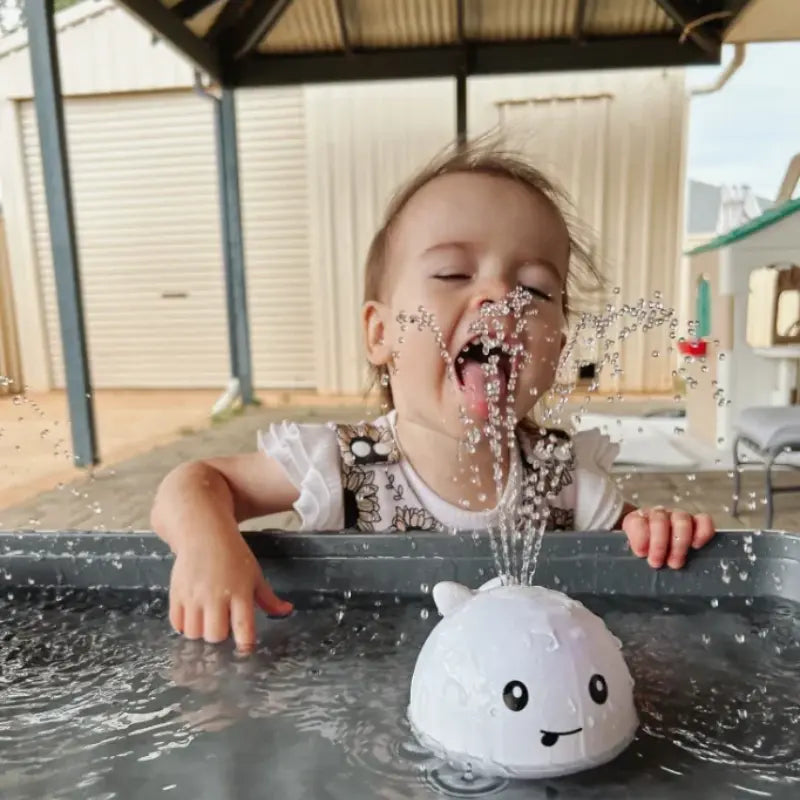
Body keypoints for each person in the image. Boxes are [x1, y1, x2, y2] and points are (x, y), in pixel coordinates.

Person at [151, 142, 716, 650]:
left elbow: (647, 558)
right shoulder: (339, 468)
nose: (500, 297)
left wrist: (661, 530)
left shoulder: (565, 483)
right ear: (382, 334)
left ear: (557, 350)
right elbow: (194, 483)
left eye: (535, 288)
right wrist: (208, 545)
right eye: (452, 274)